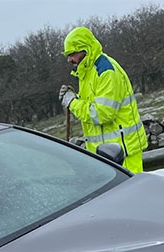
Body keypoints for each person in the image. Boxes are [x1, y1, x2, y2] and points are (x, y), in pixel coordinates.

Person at [59, 26, 148, 173]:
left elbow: (102, 114)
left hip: (123, 153)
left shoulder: (106, 71)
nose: (69, 59)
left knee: (132, 195)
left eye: (72, 54)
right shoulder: (87, 72)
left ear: (85, 49)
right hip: (106, 156)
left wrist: (72, 103)